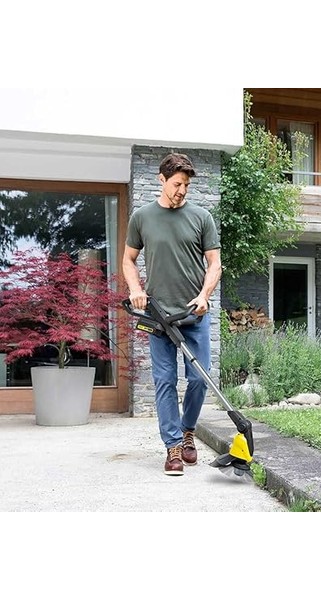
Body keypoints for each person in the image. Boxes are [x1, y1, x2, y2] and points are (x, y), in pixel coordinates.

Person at [122, 153, 222, 476]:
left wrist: (204, 295)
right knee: (164, 380)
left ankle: (188, 429)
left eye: (186, 185)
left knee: (199, 379)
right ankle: (174, 447)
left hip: (194, 314)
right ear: (161, 180)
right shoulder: (142, 218)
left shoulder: (202, 217)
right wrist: (135, 288)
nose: (182, 190)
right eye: (177, 184)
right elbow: (128, 260)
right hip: (159, 318)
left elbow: (215, 264)